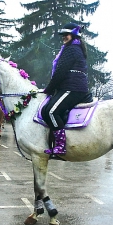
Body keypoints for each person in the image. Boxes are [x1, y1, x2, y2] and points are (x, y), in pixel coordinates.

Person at [41, 22, 90, 155]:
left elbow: (60, 72)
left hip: (72, 88)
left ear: (74, 36)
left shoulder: (71, 49)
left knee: (51, 111)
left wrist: (49, 89)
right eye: (63, 35)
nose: (64, 37)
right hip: (69, 87)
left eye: (66, 34)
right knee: (45, 109)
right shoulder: (74, 48)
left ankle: (61, 145)